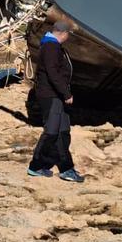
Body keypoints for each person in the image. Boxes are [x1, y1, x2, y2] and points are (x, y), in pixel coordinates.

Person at [27, 20, 84, 183]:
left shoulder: (51, 45)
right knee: (52, 132)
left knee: (63, 132)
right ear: (63, 33)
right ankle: (36, 166)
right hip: (51, 95)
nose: (68, 37)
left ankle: (66, 168)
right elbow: (53, 73)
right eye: (68, 35)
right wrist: (66, 94)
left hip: (56, 95)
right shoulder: (51, 47)